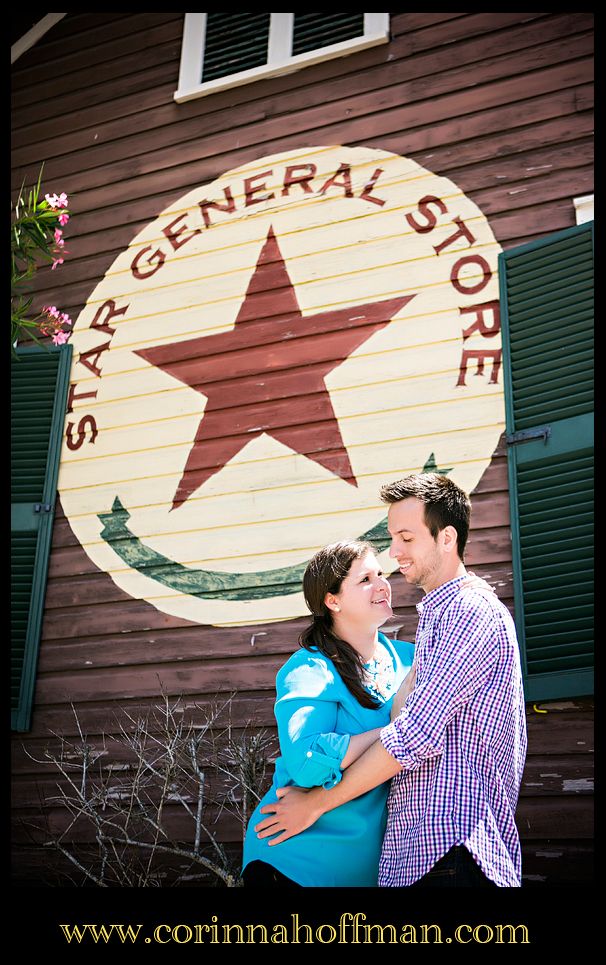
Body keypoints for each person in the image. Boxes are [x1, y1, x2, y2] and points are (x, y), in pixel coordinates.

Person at [255, 473, 528, 888]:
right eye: (392, 538)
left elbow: (415, 735)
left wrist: (316, 803)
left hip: (451, 845)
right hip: (389, 856)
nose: (395, 552)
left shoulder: (467, 612)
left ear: (446, 538)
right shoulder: (433, 621)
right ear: (332, 602)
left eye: (406, 537)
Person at [241, 539, 416, 887]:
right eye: (365, 579)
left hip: (370, 870)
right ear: (332, 600)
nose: (382, 585)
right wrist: (396, 732)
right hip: (293, 859)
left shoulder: (411, 659)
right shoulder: (308, 669)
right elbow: (306, 762)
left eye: (381, 574)